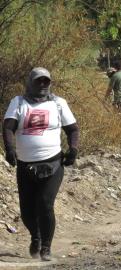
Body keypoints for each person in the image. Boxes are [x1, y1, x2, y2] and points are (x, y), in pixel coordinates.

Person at [2, 67, 79, 261]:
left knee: (45, 204)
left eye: (46, 81)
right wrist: (10, 150)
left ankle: (46, 248)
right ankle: (35, 237)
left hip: (53, 163)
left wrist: (73, 149)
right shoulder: (18, 102)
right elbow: (8, 127)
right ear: (30, 82)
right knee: (27, 211)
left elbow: (72, 129)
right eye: (39, 81)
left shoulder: (58, 103)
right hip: (25, 165)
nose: (43, 85)